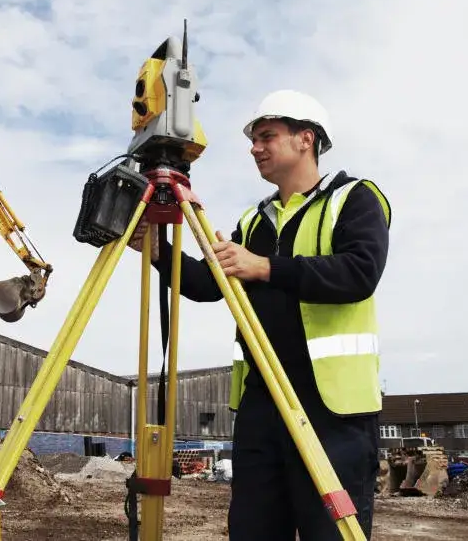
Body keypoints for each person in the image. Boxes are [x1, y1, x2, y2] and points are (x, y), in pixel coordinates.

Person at [127, 89, 391, 540]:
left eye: (267, 136)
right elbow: (212, 285)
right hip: (261, 408)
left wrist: (265, 267)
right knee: (253, 531)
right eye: (253, 139)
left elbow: (359, 273)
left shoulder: (354, 199)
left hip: (333, 412)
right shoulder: (255, 221)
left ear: (306, 139)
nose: (255, 147)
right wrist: (159, 252)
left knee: (329, 533)